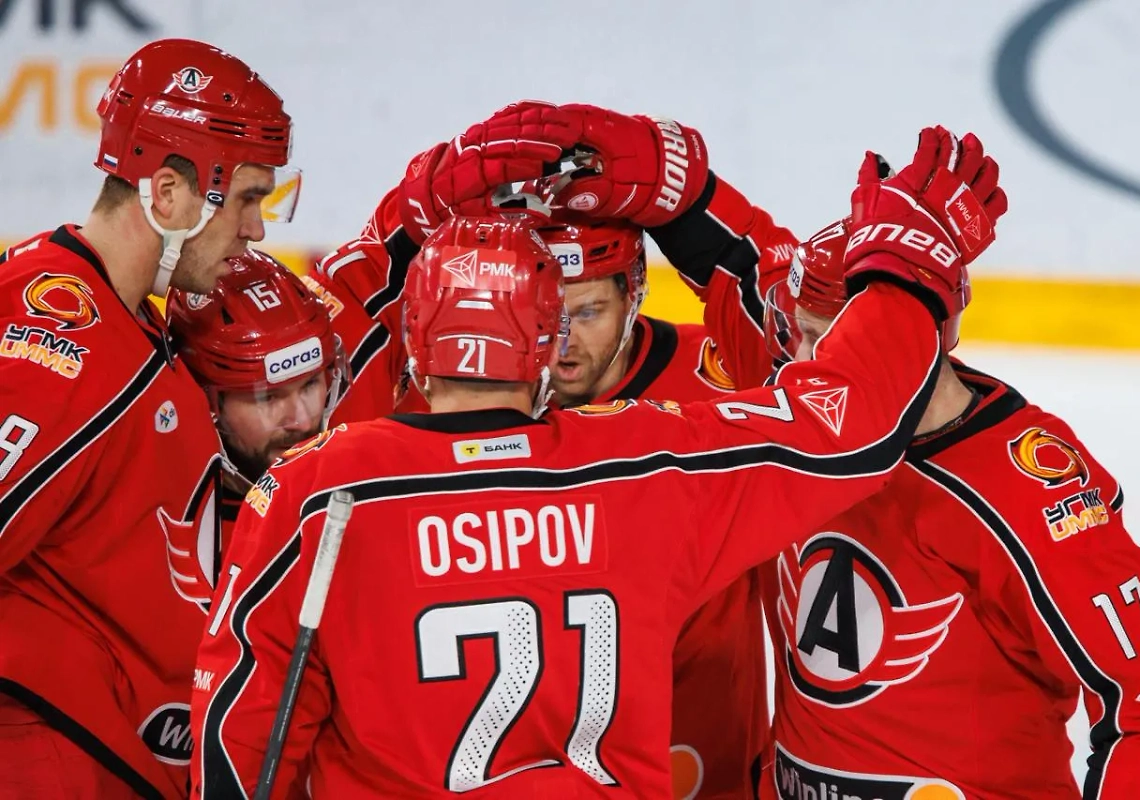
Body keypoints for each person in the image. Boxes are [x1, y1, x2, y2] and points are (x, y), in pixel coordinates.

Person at [188, 126, 1005, 798]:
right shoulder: (642, 465)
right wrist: (907, 266)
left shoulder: (316, 488)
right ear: (544, 346)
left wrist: (405, 217)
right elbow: (848, 426)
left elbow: (240, 731)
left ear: (414, 342)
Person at [627, 135, 1140, 797]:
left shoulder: (1021, 482)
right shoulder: (801, 414)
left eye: (832, 340)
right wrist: (672, 185)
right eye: (799, 334)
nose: (806, 368)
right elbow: (737, 264)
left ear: (917, 329)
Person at [307, 108, 795, 797]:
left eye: (586, 311)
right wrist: (407, 216)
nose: (557, 343)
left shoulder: (716, 378)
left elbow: (818, 349)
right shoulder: (437, 398)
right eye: (537, 313)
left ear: (634, 292)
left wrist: (698, 208)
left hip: (704, 765)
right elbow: (305, 375)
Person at [0, 38, 299, 798]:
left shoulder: (124, 317)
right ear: (167, 194)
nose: (257, 229)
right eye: (247, 198)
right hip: (53, 757)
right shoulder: (64, 340)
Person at [165, 249, 347, 532]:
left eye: (310, 384)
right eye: (268, 397)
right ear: (203, 399)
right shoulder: (158, 516)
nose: (302, 421)